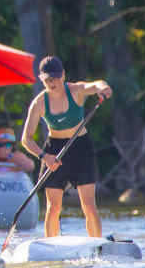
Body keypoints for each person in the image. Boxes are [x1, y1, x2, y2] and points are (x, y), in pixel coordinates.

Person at [19, 55, 112, 237]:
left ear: (63, 75)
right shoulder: (39, 103)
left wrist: (104, 88)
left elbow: (95, 84)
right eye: (47, 79)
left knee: (89, 206)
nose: (52, 83)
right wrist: (44, 157)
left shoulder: (75, 91)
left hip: (81, 149)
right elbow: (26, 139)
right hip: (54, 151)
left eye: (55, 78)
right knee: (53, 208)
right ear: (41, 79)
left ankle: (96, 245)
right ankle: (51, 247)